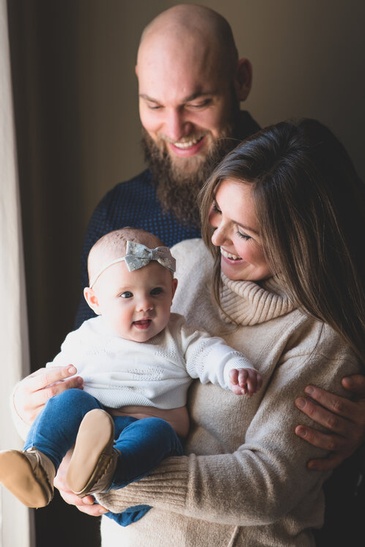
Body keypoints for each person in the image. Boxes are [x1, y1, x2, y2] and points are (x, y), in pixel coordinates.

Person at [9, 3, 365, 542]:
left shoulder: (306, 190)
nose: (174, 128)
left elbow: (275, 468)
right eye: (154, 104)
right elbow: (94, 357)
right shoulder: (133, 222)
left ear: (239, 81)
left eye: (198, 101)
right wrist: (33, 414)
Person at [92, 118, 365, 545]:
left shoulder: (319, 338)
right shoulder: (180, 264)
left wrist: (113, 476)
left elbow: (265, 485)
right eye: (218, 209)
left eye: (244, 232)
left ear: (299, 241)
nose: (217, 237)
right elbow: (101, 356)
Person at [2, 227, 261, 528]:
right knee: (71, 398)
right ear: (95, 301)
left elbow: (208, 353)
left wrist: (233, 369)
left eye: (156, 292)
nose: (144, 305)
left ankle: (108, 468)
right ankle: (41, 462)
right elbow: (51, 385)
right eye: (126, 294)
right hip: (91, 428)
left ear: (173, 290)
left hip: (143, 447)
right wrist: (33, 405)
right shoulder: (85, 338)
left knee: (157, 430)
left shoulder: (178, 335)